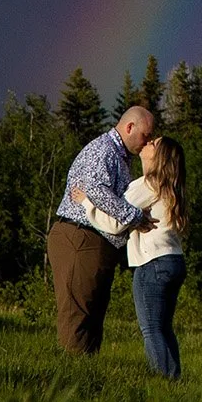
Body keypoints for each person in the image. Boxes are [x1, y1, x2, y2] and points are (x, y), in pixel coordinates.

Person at [76, 133, 189, 379]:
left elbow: (116, 221)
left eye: (153, 144)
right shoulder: (170, 187)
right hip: (174, 261)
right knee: (164, 327)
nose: (147, 143)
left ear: (159, 157)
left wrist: (86, 202)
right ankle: (174, 380)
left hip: (153, 263)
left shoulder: (148, 184)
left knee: (151, 328)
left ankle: (163, 382)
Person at [46, 104, 153, 354]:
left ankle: (89, 370)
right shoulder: (103, 149)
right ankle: (72, 371)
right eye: (145, 136)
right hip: (80, 237)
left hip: (95, 241)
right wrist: (135, 217)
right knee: (78, 313)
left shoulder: (120, 156)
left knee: (93, 313)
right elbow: (95, 189)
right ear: (129, 127)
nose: (147, 142)